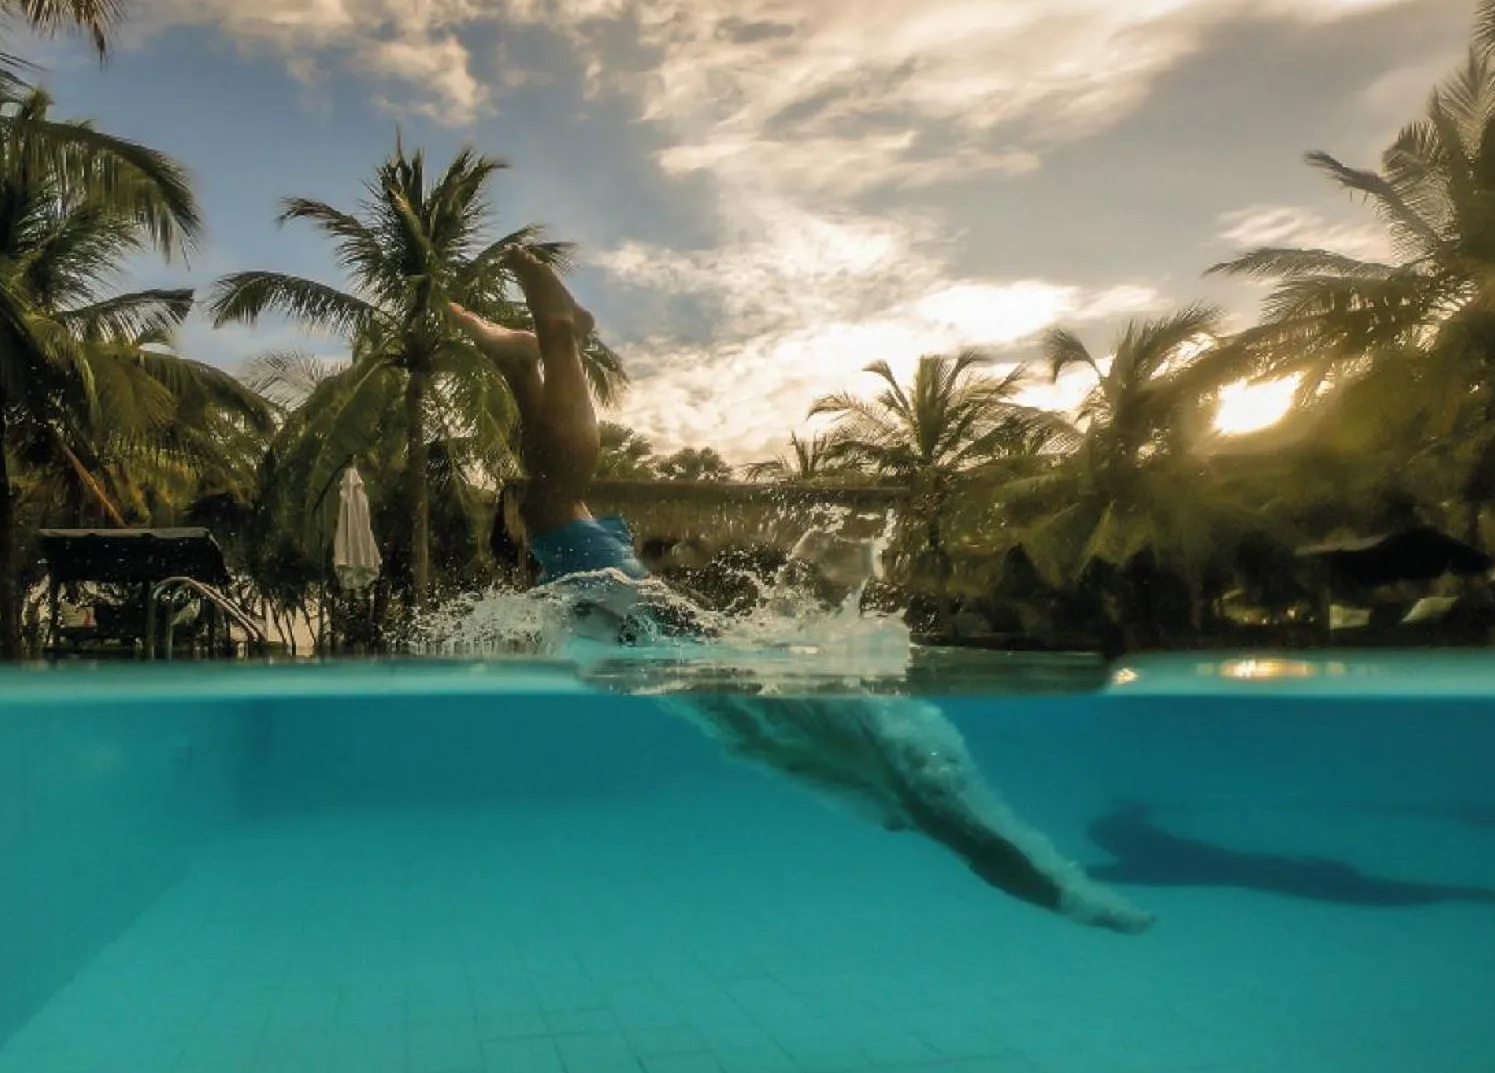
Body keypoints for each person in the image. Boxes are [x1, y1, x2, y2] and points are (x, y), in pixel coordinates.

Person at [451, 247, 1154, 934]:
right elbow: (987, 847)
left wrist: (1071, 891)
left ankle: (522, 366)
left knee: (552, 511)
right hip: (668, 642)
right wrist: (1080, 902)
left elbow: (983, 842)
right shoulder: (904, 770)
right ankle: (561, 338)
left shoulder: (888, 754)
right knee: (551, 504)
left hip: (672, 648)